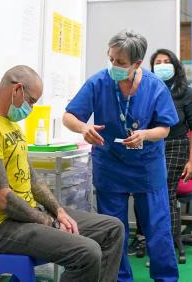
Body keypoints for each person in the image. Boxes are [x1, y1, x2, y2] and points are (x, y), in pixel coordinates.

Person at [0, 65, 124, 282]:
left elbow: (31, 177)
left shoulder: (11, 125)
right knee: (87, 253)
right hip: (0, 228)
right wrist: (48, 222)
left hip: (27, 217)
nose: (30, 107)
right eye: (31, 101)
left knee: (112, 229)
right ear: (17, 89)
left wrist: (58, 211)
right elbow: (1, 198)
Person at [63, 30, 180, 282]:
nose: (113, 65)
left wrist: (146, 134)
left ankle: (166, 279)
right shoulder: (98, 82)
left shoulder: (154, 87)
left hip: (146, 166)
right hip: (110, 165)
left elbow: (166, 127)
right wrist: (84, 127)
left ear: (137, 64)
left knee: (157, 230)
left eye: (121, 62)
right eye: (111, 58)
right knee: (114, 232)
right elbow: (69, 116)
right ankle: (120, 279)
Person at [129, 49, 192, 259]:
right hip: (150, 145)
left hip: (176, 146)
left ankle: (166, 244)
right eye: (157, 62)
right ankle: (143, 237)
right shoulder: (145, 88)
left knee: (164, 191)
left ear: (175, 65)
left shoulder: (186, 93)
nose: (161, 65)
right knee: (143, 190)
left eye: (166, 61)